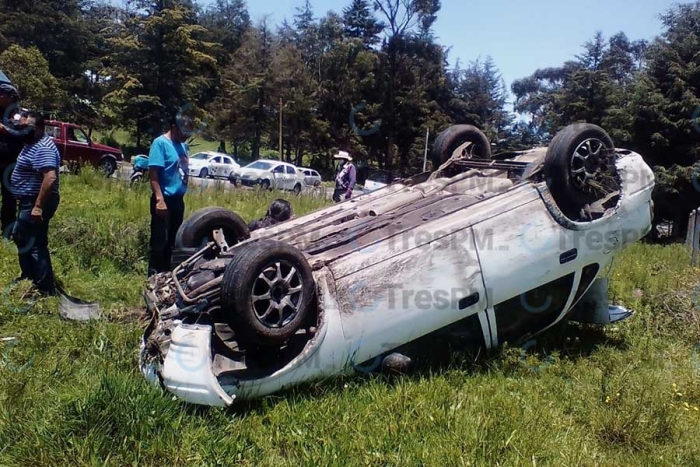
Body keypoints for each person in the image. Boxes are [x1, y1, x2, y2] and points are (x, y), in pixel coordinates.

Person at [10, 111, 61, 295]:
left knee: (35, 243)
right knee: (20, 236)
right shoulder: (31, 143)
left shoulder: (43, 147)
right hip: (28, 200)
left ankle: (44, 287)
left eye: (26, 127)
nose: (22, 130)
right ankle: (29, 276)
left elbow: (50, 177)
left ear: (39, 128)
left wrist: (38, 206)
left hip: (36, 201)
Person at [147, 115, 193, 275]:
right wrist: (159, 199)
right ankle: (153, 275)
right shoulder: (161, 143)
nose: (186, 135)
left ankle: (167, 275)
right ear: (174, 127)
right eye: (184, 131)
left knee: (174, 240)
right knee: (160, 241)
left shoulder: (183, 146)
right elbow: (153, 174)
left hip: (177, 201)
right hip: (164, 199)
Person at [0, 76, 23, 234]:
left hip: (10, 164)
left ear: (9, 98)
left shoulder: (18, 115)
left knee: (8, 198)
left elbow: (18, 131)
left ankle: (7, 230)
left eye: (1, 94)